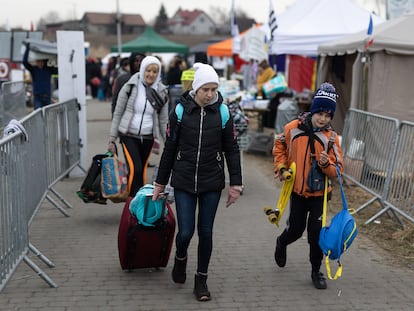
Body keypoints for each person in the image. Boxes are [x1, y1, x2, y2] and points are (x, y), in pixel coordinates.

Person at [152, 63, 243, 301]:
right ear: (196, 87)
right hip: (183, 180)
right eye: (206, 89)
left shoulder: (222, 112)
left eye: (214, 89)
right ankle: (180, 258)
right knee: (185, 233)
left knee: (206, 232)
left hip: (211, 181)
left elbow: (232, 149)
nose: (210, 94)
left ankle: (201, 279)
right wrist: (160, 183)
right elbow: (170, 149)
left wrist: (236, 183)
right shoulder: (181, 111)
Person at [272, 82, 343, 290]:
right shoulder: (292, 128)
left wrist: (325, 164)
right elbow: (279, 146)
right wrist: (281, 167)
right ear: (313, 109)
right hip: (297, 191)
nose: (323, 119)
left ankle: (315, 270)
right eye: (320, 112)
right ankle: (281, 242)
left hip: (320, 195)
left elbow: (338, 170)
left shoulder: (331, 138)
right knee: (295, 230)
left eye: (328, 115)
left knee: (315, 235)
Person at [108, 56, 169, 197]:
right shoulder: (130, 86)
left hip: (148, 136)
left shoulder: (162, 91)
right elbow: (118, 113)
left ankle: (139, 206)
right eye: (148, 70)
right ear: (142, 70)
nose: (151, 75)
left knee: (141, 172)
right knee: (136, 168)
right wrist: (112, 138)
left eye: (155, 71)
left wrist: (169, 141)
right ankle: (131, 202)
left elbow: (163, 120)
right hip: (128, 134)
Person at [22, 43, 58, 109]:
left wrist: (54, 58)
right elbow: (25, 62)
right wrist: (27, 48)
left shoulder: (49, 69)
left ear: (44, 62)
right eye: (38, 61)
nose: (39, 63)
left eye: (41, 61)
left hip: (47, 96)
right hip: (37, 96)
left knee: (46, 114)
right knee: (38, 113)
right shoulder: (33, 70)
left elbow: (57, 71)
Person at [111, 52, 146, 116]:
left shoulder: (150, 80)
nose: (139, 63)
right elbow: (115, 101)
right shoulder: (122, 79)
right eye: (136, 61)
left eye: (141, 60)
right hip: (126, 116)